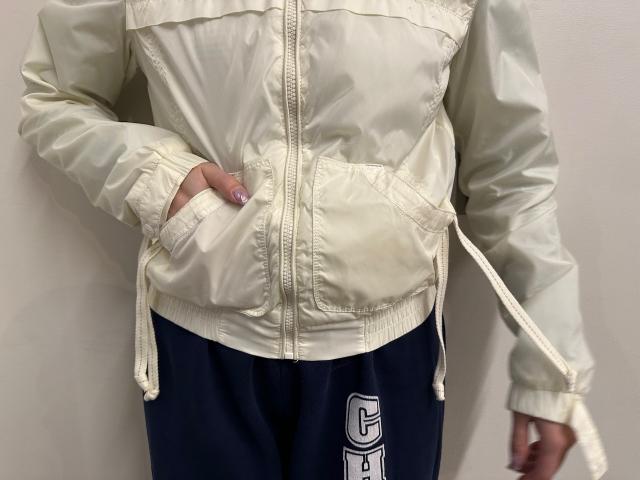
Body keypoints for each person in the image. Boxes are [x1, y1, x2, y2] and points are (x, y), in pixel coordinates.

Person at [16, 0, 608, 478]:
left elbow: (512, 166)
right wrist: (155, 176)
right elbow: (56, 96)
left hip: (384, 342)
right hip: (200, 341)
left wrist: (549, 363)